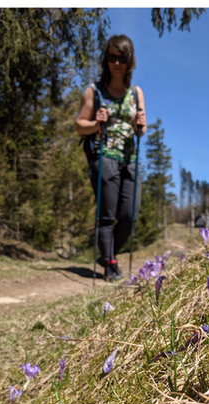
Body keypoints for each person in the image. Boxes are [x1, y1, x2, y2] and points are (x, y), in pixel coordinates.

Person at [75, 34, 147, 281]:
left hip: (130, 158)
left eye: (122, 58)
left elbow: (142, 127)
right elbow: (79, 125)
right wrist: (96, 122)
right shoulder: (94, 91)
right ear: (106, 60)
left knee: (129, 214)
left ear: (130, 61)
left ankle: (108, 254)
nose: (117, 63)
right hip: (104, 155)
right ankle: (111, 265)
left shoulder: (136, 93)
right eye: (113, 58)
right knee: (107, 214)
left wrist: (140, 124)